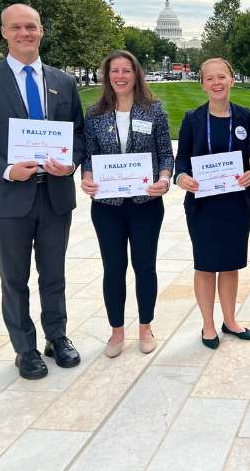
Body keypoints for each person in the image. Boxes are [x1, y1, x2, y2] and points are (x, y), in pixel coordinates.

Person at [0, 3, 85, 379]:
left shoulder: (63, 81)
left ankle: (57, 337)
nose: (24, 33)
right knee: (13, 278)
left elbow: (78, 133)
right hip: (8, 197)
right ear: (4, 32)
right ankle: (24, 348)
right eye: (16, 27)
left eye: (31, 26)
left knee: (54, 274)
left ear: (41, 30)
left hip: (55, 195)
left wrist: (73, 161)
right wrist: (6, 169)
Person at [80, 50, 173, 357]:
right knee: (113, 268)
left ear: (136, 75)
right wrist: (88, 176)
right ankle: (116, 331)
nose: (120, 76)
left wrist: (164, 178)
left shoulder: (154, 110)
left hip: (146, 202)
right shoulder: (94, 114)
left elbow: (165, 153)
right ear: (107, 76)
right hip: (108, 206)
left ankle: (145, 327)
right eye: (114, 71)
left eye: (126, 71)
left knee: (145, 267)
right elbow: (88, 156)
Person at [176, 58, 250, 349]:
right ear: (202, 84)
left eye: (221, 76)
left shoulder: (246, 117)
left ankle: (230, 320)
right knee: (205, 265)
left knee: (229, 265)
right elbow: (182, 158)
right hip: (202, 205)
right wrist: (181, 177)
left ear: (232, 79)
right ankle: (208, 325)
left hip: (236, 203)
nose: (216, 83)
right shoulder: (193, 119)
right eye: (209, 78)